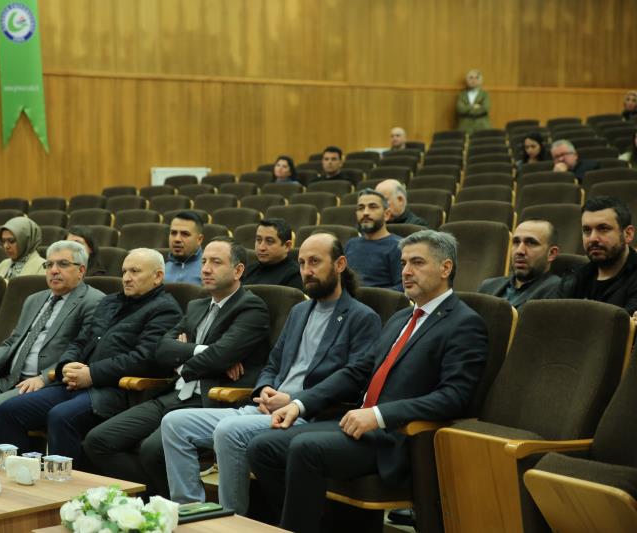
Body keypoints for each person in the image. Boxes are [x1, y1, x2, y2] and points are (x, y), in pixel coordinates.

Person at [246, 230, 488, 533]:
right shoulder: (401, 318)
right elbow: (357, 371)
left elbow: (454, 397)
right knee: (262, 446)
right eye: (403, 263)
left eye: (417, 262)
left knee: (306, 448)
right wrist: (299, 404)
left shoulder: (464, 323)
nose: (406, 271)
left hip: (398, 437)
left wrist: (378, 415)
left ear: (445, 268)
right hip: (358, 425)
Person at [160, 232, 381, 515]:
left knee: (228, 431)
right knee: (175, 423)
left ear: (339, 264)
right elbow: (273, 363)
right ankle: (191, 511)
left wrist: (295, 400)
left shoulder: (362, 317)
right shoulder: (300, 311)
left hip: (308, 415)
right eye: (302, 263)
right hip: (266, 408)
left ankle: (231, 520)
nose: (306, 271)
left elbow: (352, 377)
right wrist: (264, 388)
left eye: (315, 262)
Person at [82, 237, 272, 497]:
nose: (206, 269)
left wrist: (185, 360)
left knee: (152, 450)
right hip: (173, 395)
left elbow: (220, 356)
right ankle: (154, 501)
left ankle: (177, 508)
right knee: (98, 441)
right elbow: (162, 349)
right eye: (204, 262)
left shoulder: (251, 307)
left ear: (238, 270)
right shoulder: (196, 305)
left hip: (209, 401)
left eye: (216, 263)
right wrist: (202, 351)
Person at [0, 248, 182, 462]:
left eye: (135, 271)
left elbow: (143, 359)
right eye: (124, 271)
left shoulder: (165, 310)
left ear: (158, 276)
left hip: (116, 390)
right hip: (77, 384)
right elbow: (81, 341)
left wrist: (92, 374)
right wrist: (66, 365)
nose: (127, 278)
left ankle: (66, 481)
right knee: (8, 410)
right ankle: (17, 474)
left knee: (61, 416)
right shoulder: (110, 302)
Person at [0, 240, 104, 454]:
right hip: (10, 378)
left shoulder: (93, 301)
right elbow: (13, 340)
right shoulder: (35, 299)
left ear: (81, 270)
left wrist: (45, 377)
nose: (53, 270)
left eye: (62, 264)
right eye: (49, 265)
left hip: (47, 384)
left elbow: (82, 352)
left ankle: (9, 469)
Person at [556, 196, 637, 315]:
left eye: (603, 229)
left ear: (628, 234)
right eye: (587, 230)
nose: (593, 238)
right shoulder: (573, 278)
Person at [478, 220, 560, 309]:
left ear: (551, 253)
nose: (520, 251)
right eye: (516, 242)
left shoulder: (559, 292)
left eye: (531, 243)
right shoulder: (488, 286)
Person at [345, 189, 403, 291]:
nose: (365, 213)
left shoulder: (399, 246)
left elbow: (403, 286)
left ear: (387, 214)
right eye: (361, 208)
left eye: (373, 207)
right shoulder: (351, 244)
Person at [243, 219, 303, 290]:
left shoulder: (295, 275)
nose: (261, 247)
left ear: (287, 246)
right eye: (258, 240)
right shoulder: (248, 270)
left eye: (269, 241)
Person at [165, 211, 204, 284]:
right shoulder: (162, 269)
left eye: (185, 234)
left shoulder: (208, 270)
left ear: (199, 239)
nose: (177, 239)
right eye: (173, 233)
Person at [456, 69, 491, 135]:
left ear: (481, 81)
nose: (473, 80)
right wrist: (474, 106)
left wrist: (467, 108)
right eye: (471, 78)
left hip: (482, 127)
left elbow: (485, 108)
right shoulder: (462, 95)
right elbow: (460, 109)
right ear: (466, 80)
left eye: (477, 78)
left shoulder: (484, 94)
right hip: (465, 127)